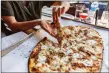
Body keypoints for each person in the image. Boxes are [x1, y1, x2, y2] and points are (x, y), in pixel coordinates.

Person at [1, 1, 70, 37]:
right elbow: (13, 26)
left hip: (37, 33)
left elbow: (65, 2)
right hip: (16, 37)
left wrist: (62, 6)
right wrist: (38, 22)